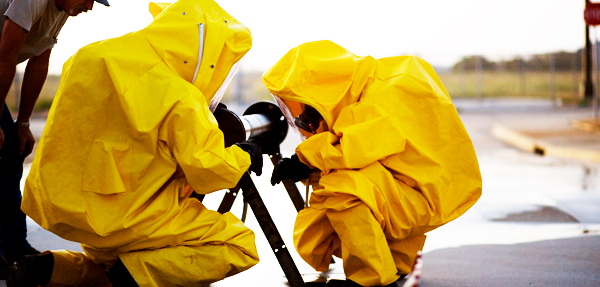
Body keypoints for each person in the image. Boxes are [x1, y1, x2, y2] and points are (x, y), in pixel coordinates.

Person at [7, 0, 263, 286]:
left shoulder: (89, 56)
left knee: (114, 258)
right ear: (205, 51)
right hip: (126, 219)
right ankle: (131, 279)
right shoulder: (180, 96)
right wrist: (244, 157)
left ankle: (52, 269)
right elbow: (209, 172)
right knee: (238, 244)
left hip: (65, 209)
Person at [264, 40, 483, 287]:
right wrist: (309, 165)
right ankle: (395, 264)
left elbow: (351, 150)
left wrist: (303, 160)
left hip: (424, 195)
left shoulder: (381, 96)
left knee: (343, 189)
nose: (302, 118)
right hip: (421, 187)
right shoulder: (378, 83)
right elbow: (368, 154)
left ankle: (371, 280)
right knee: (361, 186)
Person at [0, 0, 109, 279]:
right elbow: (5, 56)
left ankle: (14, 246)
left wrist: (23, 124)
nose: (89, 7)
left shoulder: (63, 8)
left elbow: (39, 60)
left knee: (13, 149)